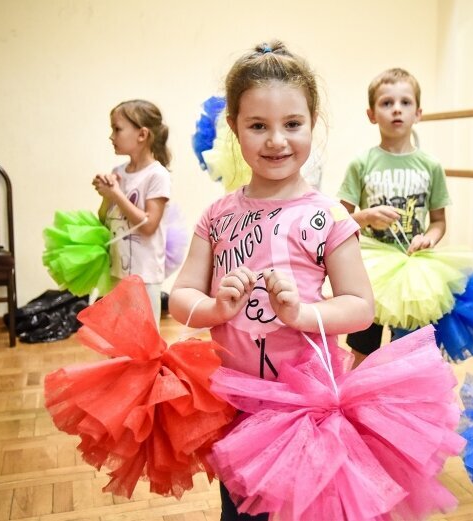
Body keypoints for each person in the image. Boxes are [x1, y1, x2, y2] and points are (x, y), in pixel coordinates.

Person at [168, 40, 375, 521]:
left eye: (292, 125)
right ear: (234, 129)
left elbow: (360, 306)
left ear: (312, 121)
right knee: (240, 510)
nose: (276, 140)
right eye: (258, 125)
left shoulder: (326, 216)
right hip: (234, 401)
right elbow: (180, 296)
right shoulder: (217, 216)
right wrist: (216, 310)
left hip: (306, 406)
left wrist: (302, 314)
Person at [337, 67, 451, 367]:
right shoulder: (361, 164)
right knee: (363, 348)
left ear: (419, 113)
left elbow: (438, 221)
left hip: (414, 272)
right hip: (369, 272)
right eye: (386, 103)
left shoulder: (431, 166)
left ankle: (401, 407)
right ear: (371, 114)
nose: (396, 109)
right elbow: (339, 221)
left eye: (405, 102)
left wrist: (430, 236)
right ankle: (356, 402)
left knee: (409, 352)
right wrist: (366, 216)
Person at [92, 99, 172, 325]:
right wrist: (107, 198)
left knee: (142, 341)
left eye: (117, 129)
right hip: (117, 271)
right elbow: (105, 222)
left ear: (142, 135)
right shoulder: (118, 172)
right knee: (117, 338)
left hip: (144, 275)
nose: (111, 136)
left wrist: (117, 194)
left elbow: (148, 225)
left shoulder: (157, 175)